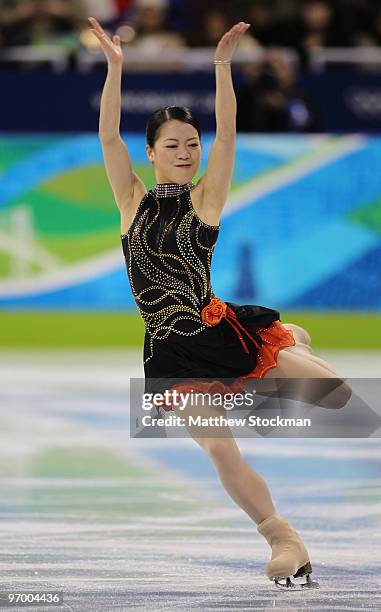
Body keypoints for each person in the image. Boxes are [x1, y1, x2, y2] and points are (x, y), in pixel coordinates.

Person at [89, 16, 351, 588]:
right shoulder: (130, 200)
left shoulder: (206, 199)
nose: (186, 153)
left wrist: (222, 66)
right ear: (152, 153)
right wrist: (115, 67)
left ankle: (293, 336)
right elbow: (109, 137)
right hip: (171, 356)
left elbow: (228, 136)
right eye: (172, 146)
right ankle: (283, 537)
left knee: (338, 399)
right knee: (219, 451)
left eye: (191, 144)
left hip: (222, 333)